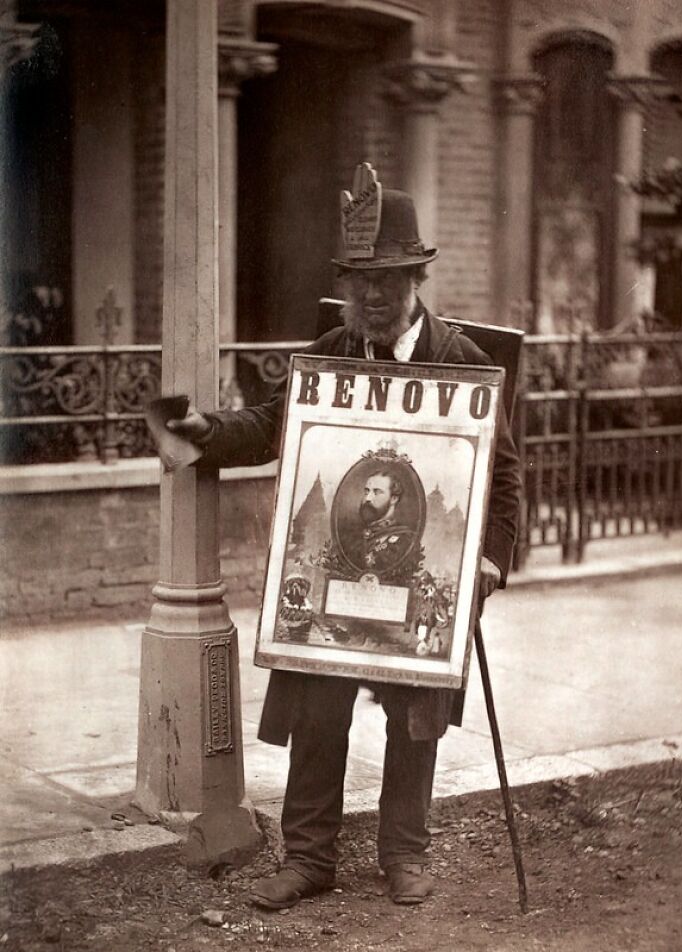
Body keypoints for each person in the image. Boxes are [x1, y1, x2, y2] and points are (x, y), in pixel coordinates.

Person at [167, 166, 522, 909]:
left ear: (417, 279)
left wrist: (490, 558)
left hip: (417, 577)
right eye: (360, 281)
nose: (372, 296)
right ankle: (309, 859)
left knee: (415, 715)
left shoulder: (461, 362)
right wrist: (206, 430)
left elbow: (506, 474)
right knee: (317, 707)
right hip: (339, 573)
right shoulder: (333, 347)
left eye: (387, 280)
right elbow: (272, 425)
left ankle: (404, 855)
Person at [343, 468, 418, 577]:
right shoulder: (352, 536)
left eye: (377, 492)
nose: (368, 498)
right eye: (366, 491)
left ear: (394, 499)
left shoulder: (406, 540)